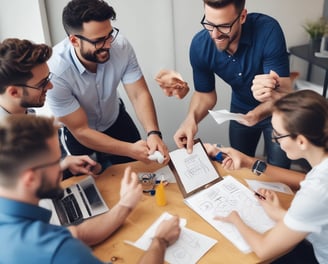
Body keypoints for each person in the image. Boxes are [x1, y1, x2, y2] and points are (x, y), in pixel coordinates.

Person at [0, 114, 181, 263]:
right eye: (57, 162)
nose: (63, 166)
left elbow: (76, 233)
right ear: (30, 178)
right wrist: (160, 241)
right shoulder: (58, 251)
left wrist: (124, 205)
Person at [157, 0, 292, 169]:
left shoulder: (268, 30)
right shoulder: (200, 45)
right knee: (238, 166)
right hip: (240, 111)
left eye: (224, 26)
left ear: (242, 17)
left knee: (279, 170)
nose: (214, 34)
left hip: (278, 111)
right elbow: (205, 95)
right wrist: (191, 120)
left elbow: (285, 93)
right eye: (209, 24)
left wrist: (257, 114)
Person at [46, 0, 168, 170]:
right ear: (74, 41)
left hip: (115, 118)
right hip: (79, 133)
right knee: (94, 187)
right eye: (99, 40)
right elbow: (81, 130)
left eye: (110, 35)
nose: (109, 44)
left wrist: (153, 133)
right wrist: (129, 149)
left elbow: (138, 94)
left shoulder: (121, 46)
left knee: (141, 174)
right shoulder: (55, 72)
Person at [210, 90, 327, 263]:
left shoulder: (316, 190)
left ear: (301, 141)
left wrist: (235, 219)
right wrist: (278, 212)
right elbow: (314, 202)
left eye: (278, 134)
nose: (274, 140)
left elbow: (264, 249)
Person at [0, 38, 101, 179]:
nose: (50, 86)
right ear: (14, 92)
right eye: (42, 83)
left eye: (48, 79)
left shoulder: (28, 117)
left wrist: (63, 166)